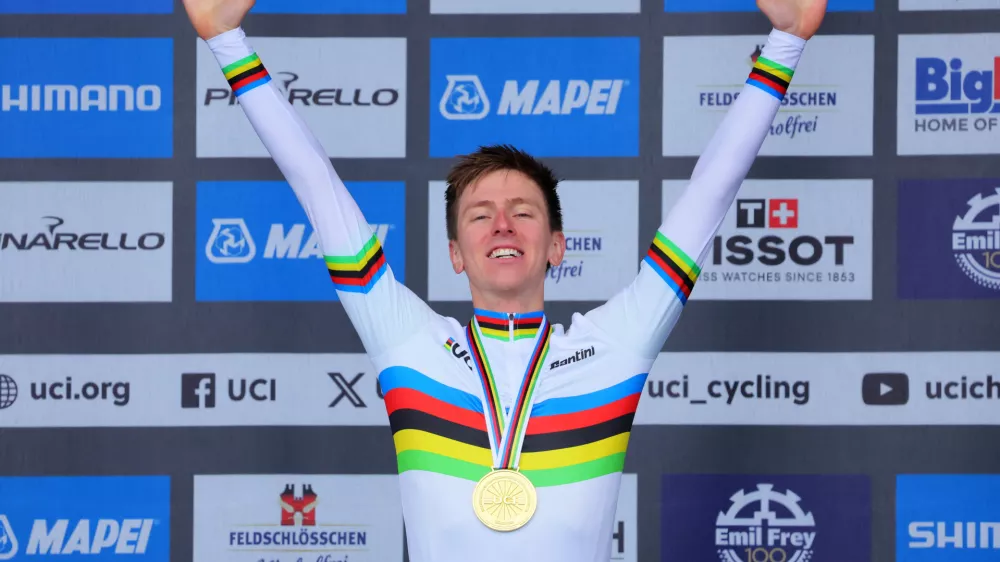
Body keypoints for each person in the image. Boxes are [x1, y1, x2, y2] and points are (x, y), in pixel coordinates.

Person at [182, 1, 827, 560]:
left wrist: (785, 44)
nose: (502, 227)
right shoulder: (407, 343)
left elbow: (706, 201)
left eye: (524, 213)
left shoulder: (613, 349)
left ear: (556, 246)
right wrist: (227, 43)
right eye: (480, 216)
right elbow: (319, 191)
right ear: (456, 254)